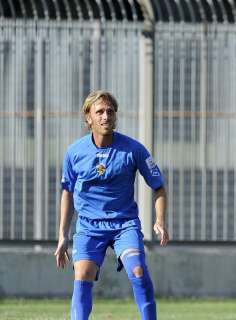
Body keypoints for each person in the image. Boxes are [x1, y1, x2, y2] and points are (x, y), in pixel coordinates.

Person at [54, 90, 169, 320]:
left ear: (115, 116)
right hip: (89, 226)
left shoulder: (134, 149)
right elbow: (66, 191)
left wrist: (160, 220)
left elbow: (159, 186)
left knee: (137, 269)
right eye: (100, 112)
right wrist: (63, 235)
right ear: (88, 118)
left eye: (110, 111)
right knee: (82, 273)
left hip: (123, 224)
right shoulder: (74, 152)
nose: (106, 116)